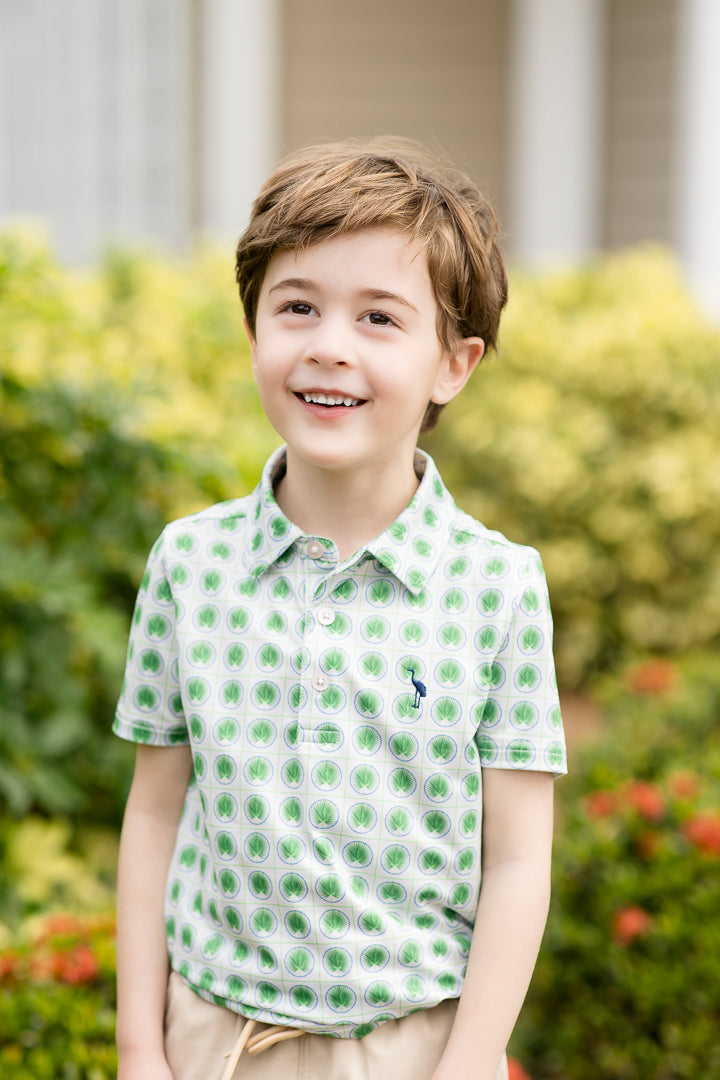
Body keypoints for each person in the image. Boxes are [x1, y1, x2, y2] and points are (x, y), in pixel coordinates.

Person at [114, 137, 567, 1080]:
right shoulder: (190, 565)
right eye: (298, 307)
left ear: (453, 365)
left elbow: (519, 861)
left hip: (416, 1048)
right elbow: (155, 814)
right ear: (254, 335)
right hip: (213, 1040)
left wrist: (469, 1062)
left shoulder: (498, 587)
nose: (329, 344)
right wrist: (141, 1048)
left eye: (379, 318)